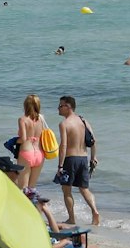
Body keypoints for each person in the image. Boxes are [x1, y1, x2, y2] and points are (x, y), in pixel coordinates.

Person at [56, 95, 99, 227]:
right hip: (83, 159)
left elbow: (63, 146)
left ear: (68, 107)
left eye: (60, 105)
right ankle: (95, 212)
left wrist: (60, 166)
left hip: (70, 159)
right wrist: (93, 157)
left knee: (66, 189)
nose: (58, 108)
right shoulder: (83, 120)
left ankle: (71, 218)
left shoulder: (64, 124)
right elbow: (93, 140)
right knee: (84, 189)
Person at [13, 94, 49, 194]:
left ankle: (23, 209)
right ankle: (35, 208)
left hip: (27, 153)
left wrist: (14, 141)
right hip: (40, 154)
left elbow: (23, 139)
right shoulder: (42, 118)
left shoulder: (23, 119)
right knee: (32, 188)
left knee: (23, 188)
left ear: (25, 105)